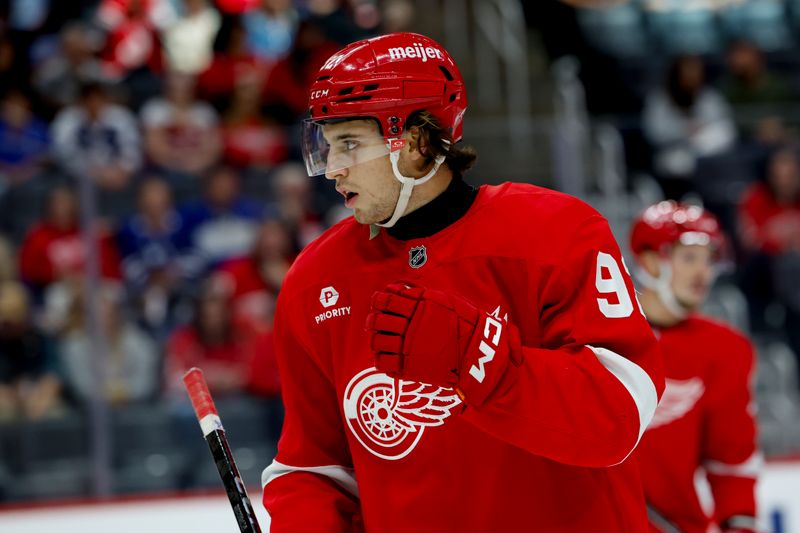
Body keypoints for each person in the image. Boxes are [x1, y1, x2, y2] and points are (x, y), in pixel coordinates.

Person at [261, 32, 664, 531]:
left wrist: (481, 362)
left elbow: (618, 419)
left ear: (417, 143)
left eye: (348, 143)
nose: (331, 168)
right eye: (325, 143)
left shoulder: (557, 233)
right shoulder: (315, 282)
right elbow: (316, 469)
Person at [629, 201, 760, 533]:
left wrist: (739, 525)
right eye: (688, 258)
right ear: (649, 261)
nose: (702, 272)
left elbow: (731, 458)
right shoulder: (595, 333)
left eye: (709, 260)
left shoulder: (724, 348)